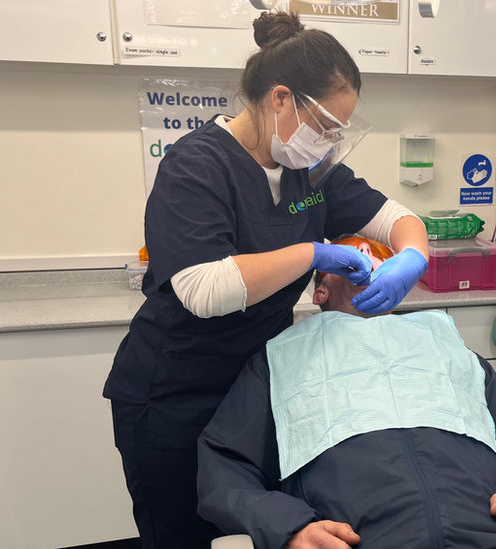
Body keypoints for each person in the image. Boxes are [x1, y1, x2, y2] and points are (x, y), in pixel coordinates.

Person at [103, 12, 430, 549]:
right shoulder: (196, 165)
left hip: (254, 389)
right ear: (280, 99)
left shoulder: (311, 172)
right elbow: (204, 289)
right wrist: (312, 252)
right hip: (173, 396)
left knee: (260, 529)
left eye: (338, 131)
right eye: (325, 126)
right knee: (181, 533)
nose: (329, 141)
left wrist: (412, 256)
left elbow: (396, 218)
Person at [197, 237, 496, 549]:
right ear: (320, 293)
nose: (365, 255)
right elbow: (226, 469)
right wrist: (290, 528)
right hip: (363, 538)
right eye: (347, 254)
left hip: (490, 531)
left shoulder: (445, 345)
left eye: (378, 253)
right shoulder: (280, 358)